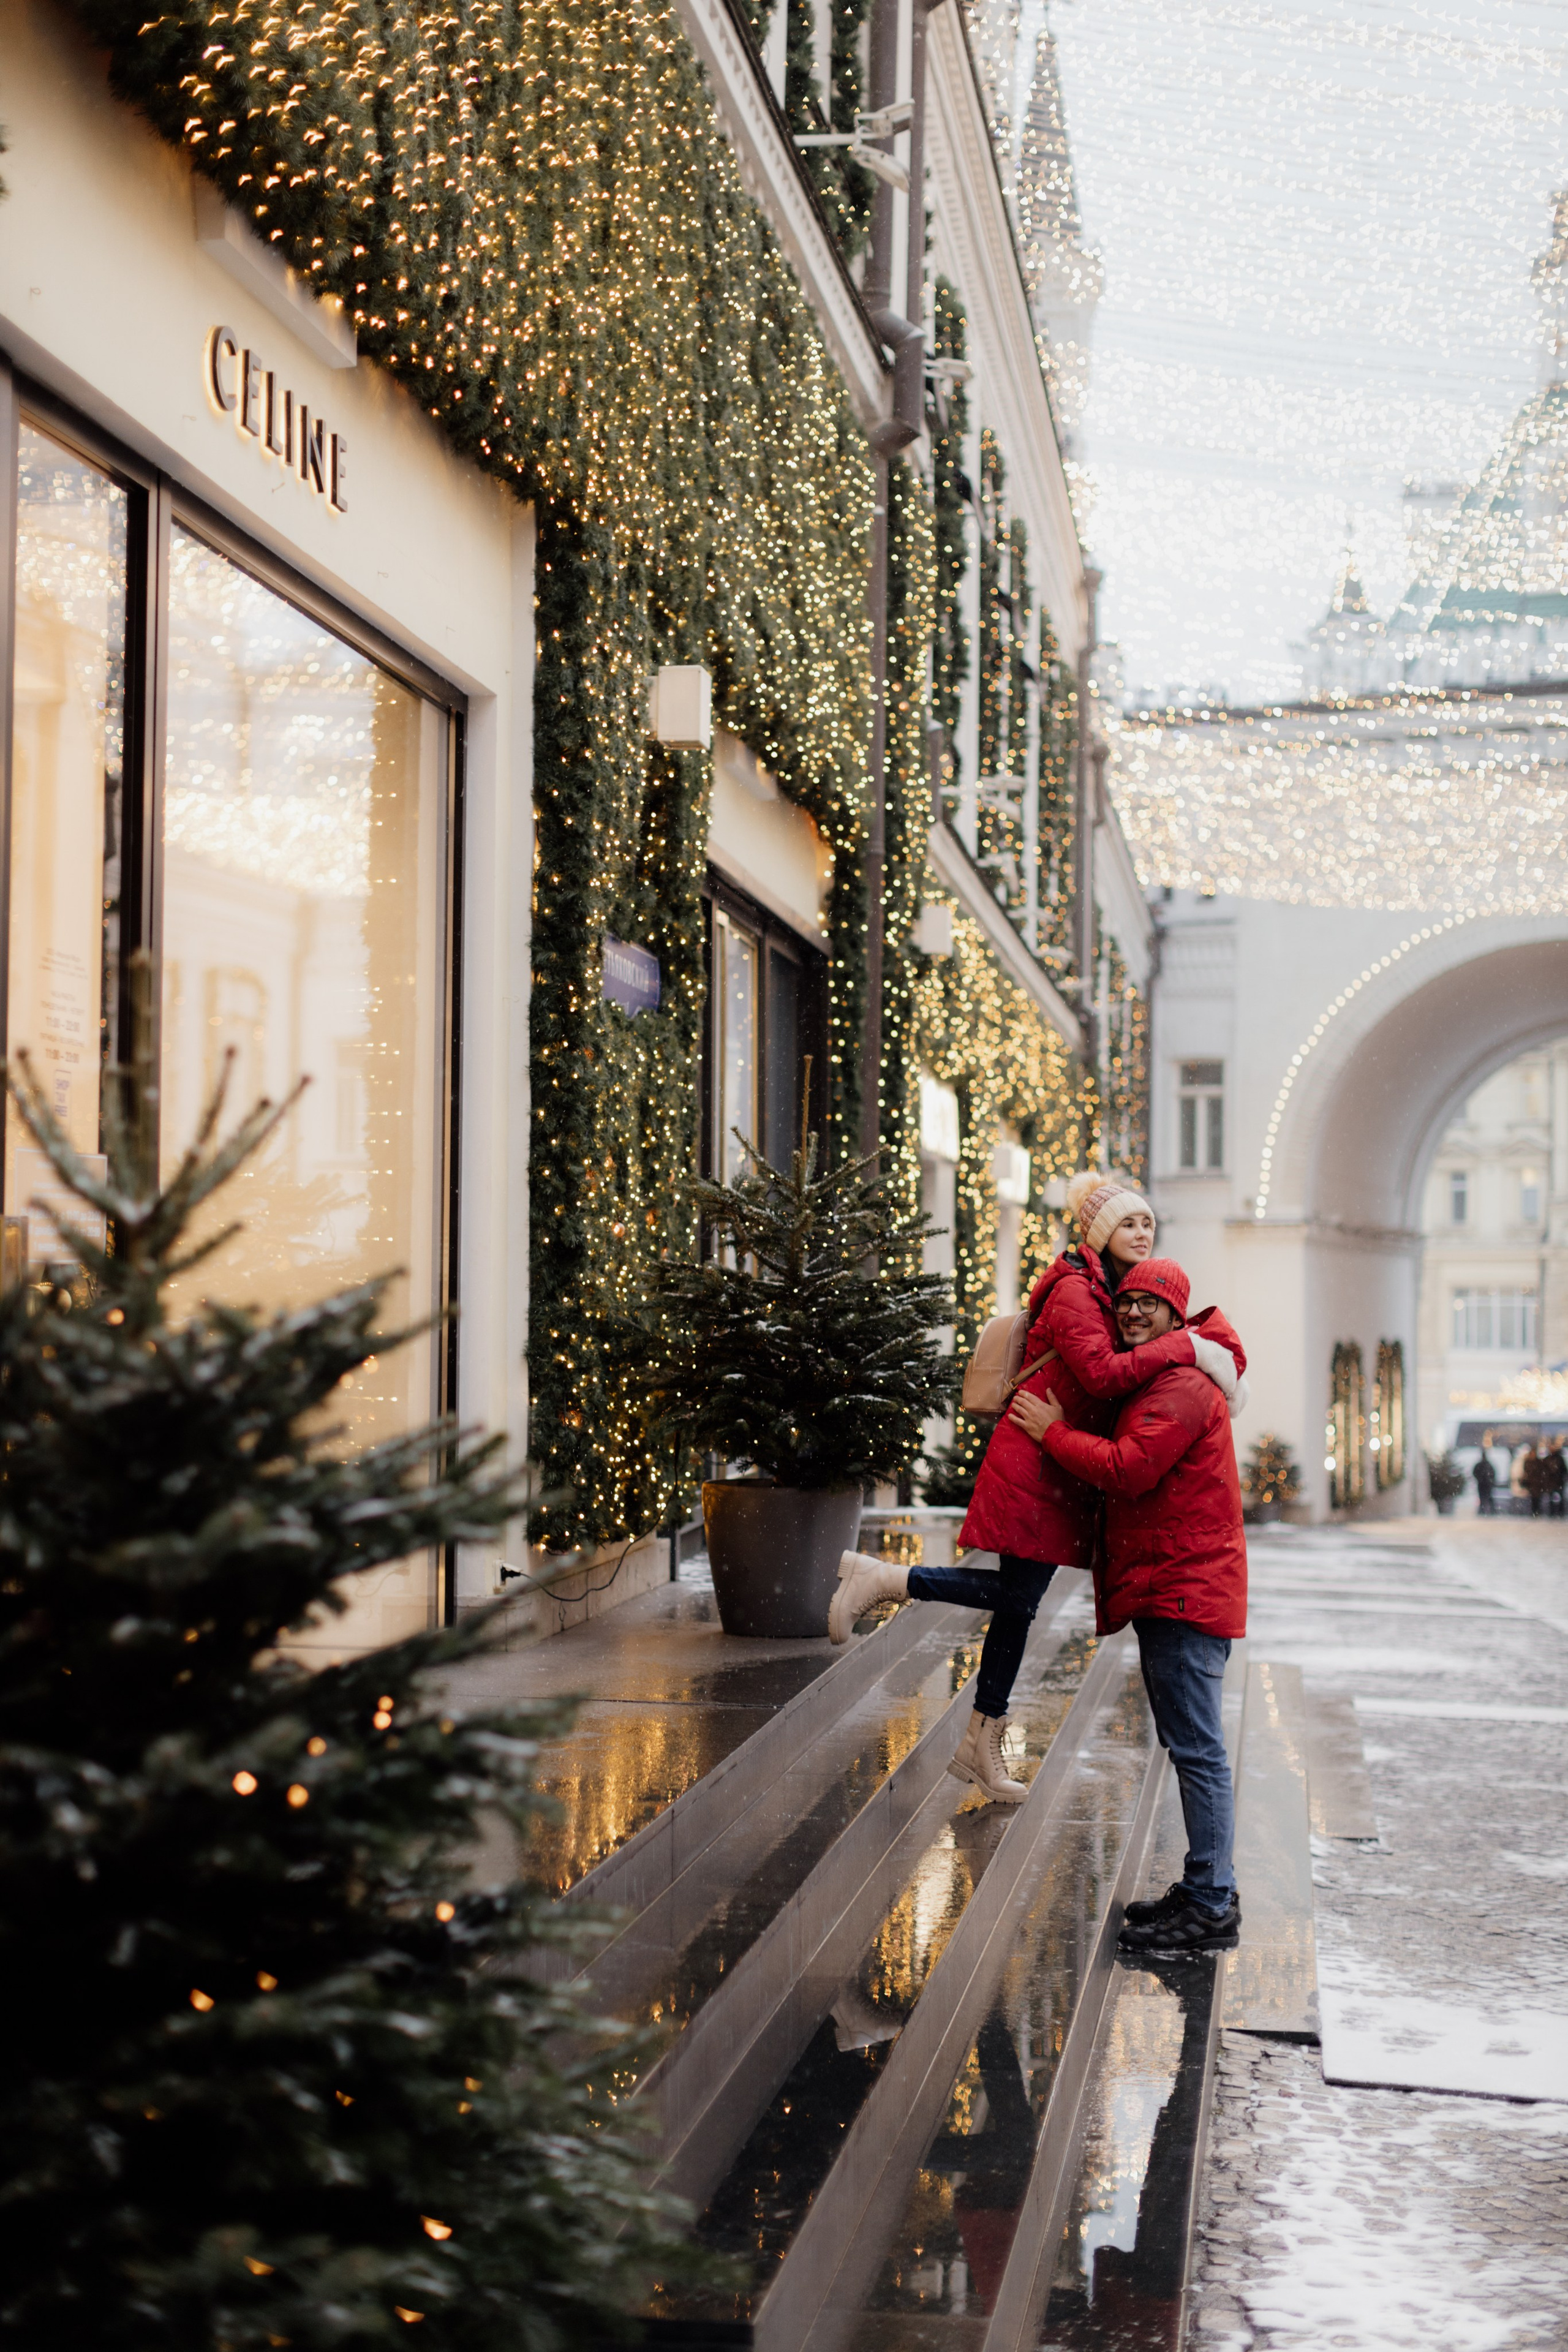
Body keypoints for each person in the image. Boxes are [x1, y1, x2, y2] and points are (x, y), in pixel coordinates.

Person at [829, 1172, 1245, 1804]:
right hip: (1033, 1458)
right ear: (1102, 1233)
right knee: (1017, 1597)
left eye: (1147, 1224)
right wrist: (1186, 1346)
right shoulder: (1078, 1292)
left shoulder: (1109, 1290)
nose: (1142, 1231)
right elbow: (1105, 1377)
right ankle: (884, 1581)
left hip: (1058, 1465)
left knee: (1018, 1604)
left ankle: (978, 1740)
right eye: (1128, 1223)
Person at [1012, 1257, 1246, 1956]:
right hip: (1174, 1585)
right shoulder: (1165, 1377)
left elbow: (1128, 1467)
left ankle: (1210, 1904)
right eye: (1127, 1304)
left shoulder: (1179, 1387)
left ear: (1179, 1317)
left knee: (1198, 1751)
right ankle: (1207, 1884)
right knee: (1190, 1746)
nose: (1135, 1313)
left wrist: (1051, 1431)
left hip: (1183, 1591)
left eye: (1151, 1305)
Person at [1474, 1439, 1497, 1517]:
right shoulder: (1487, 1465)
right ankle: (1487, 1511)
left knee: (1486, 1497)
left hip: (1485, 1484)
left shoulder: (1485, 1465)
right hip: (1485, 1484)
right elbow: (1493, 1474)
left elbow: (1475, 1472)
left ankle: (1486, 1511)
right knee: (1486, 1498)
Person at [1547, 1437, 1567, 1519]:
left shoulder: (1557, 1459)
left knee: (1557, 1498)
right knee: (1554, 1498)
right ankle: (1556, 1513)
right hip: (1556, 1482)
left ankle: (1558, 1513)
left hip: (1557, 1482)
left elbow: (1564, 1470)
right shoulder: (1555, 1458)